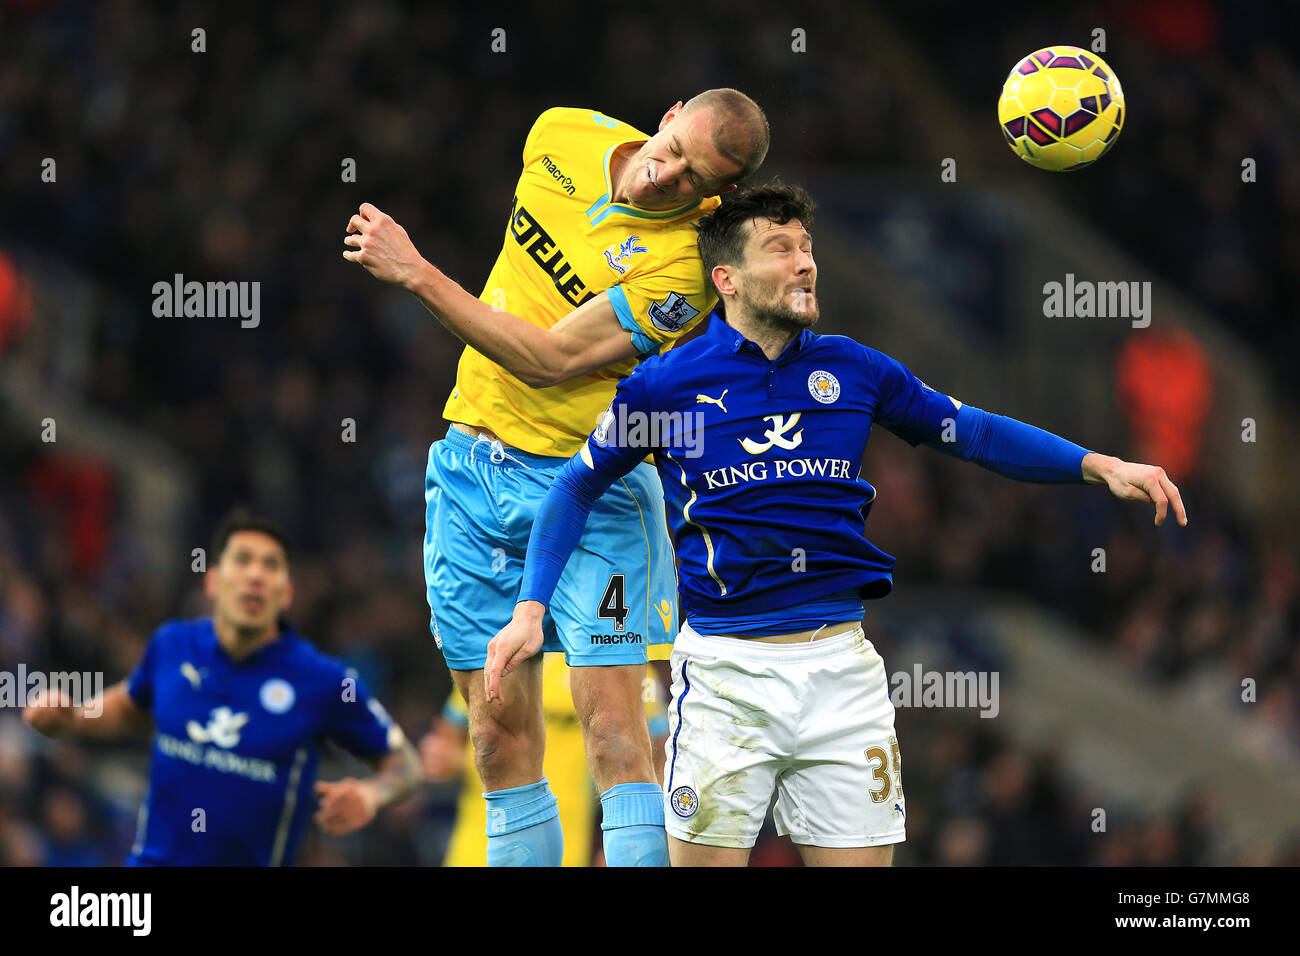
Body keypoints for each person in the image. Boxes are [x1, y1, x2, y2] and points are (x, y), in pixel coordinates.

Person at [485, 182, 1188, 866]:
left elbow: (971, 431)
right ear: (726, 278)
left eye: (808, 247)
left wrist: (1097, 464)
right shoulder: (667, 384)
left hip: (841, 673)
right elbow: (575, 488)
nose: (804, 262)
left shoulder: (854, 370)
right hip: (730, 674)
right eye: (781, 248)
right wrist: (530, 608)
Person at [343, 90, 769, 866]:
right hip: (471, 467)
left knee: (614, 727)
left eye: (690, 180)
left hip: (590, 489)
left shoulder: (684, 268)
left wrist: (416, 273)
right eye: (668, 149)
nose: (661, 178)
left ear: (718, 195)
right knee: (497, 732)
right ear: (667, 113)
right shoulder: (560, 132)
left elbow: (549, 360)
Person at [23, 510, 422, 866]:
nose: (255, 575)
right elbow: (131, 707)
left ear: (286, 592)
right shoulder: (171, 645)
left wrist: (372, 796)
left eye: (271, 566)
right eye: (243, 560)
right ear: (212, 581)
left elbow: (405, 764)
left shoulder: (324, 681)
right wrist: (74, 718)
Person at [421, 655, 670, 866]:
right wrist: (443, 760)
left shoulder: (621, 664)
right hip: (476, 849)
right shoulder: (493, 657)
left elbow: (663, 758)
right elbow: (446, 743)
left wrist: (633, 836)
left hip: (567, 851)